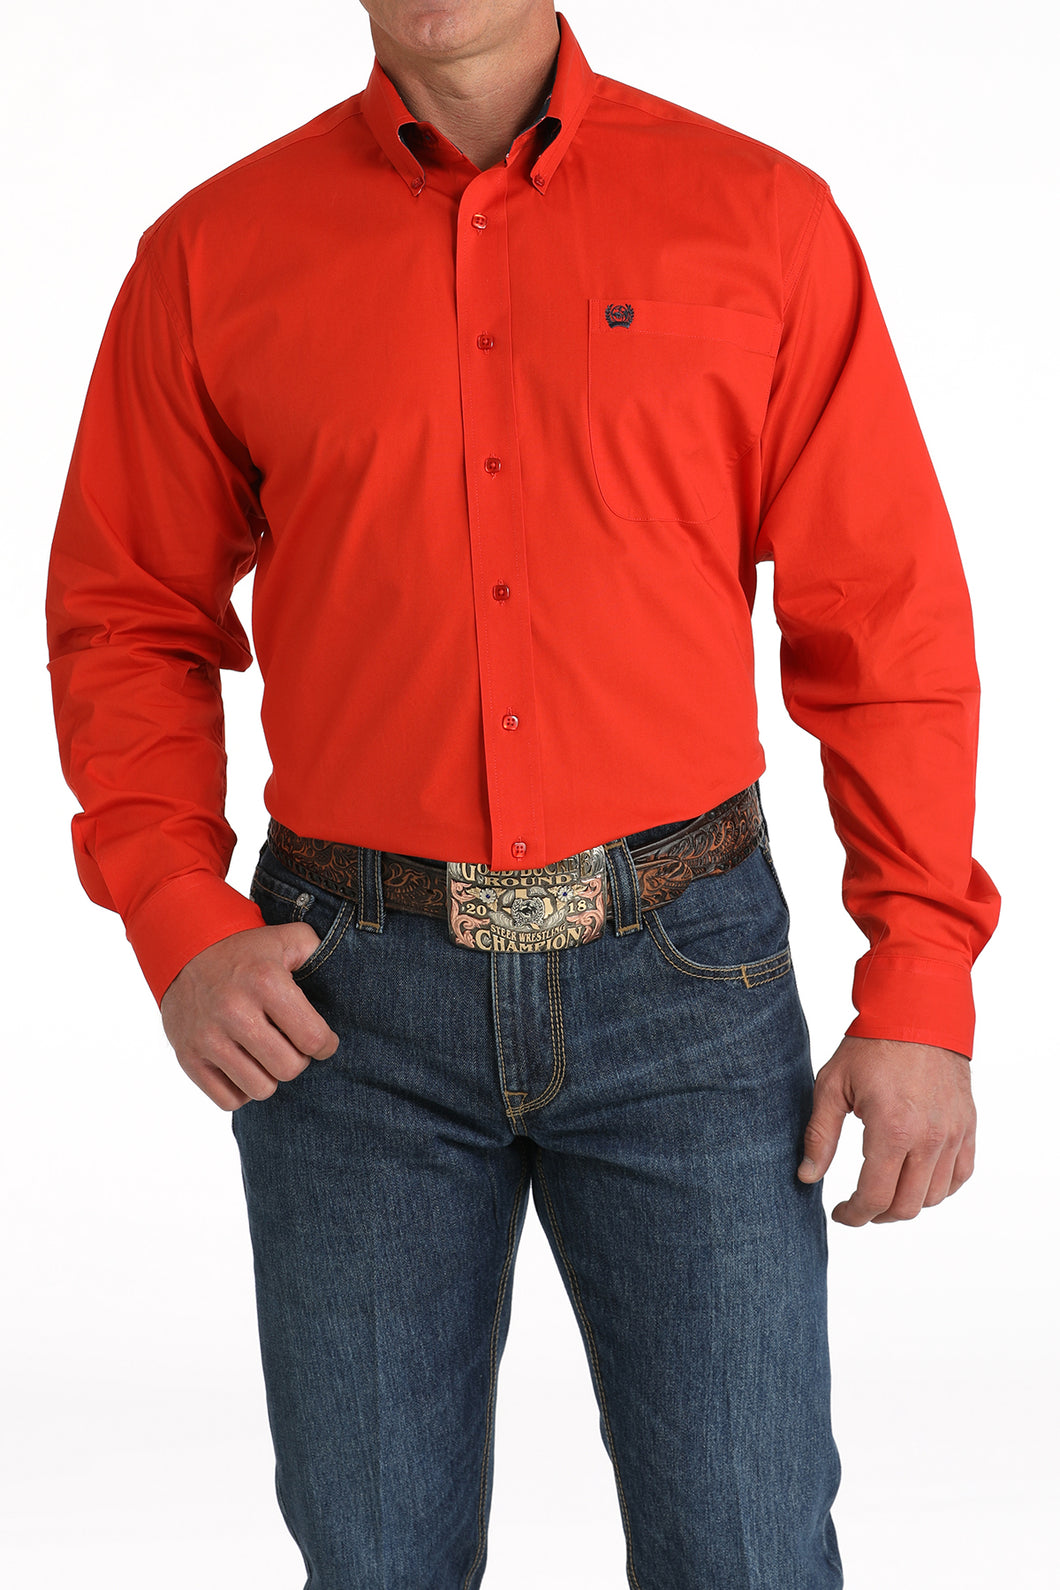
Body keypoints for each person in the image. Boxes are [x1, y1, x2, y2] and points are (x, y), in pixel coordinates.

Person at [45, 2, 1002, 1585]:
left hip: (687, 979)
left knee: (748, 1549)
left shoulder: (761, 219)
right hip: (345, 1002)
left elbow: (885, 619)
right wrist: (172, 906)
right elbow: (126, 614)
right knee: (374, 1558)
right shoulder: (211, 256)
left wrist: (921, 978)